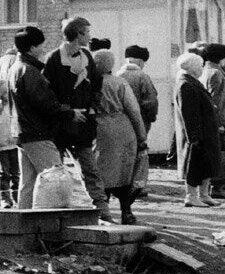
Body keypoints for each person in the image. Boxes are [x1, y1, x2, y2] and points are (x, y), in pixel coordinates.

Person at [8, 26, 83, 209]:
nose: (43, 49)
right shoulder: (29, 71)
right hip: (38, 133)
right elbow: (45, 104)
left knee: (29, 184)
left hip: (23, 133)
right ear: (32, 48)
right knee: (56, 180)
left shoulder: (16, 68)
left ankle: (23, 230)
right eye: (41, 45)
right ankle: (50, 229)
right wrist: (70, 112)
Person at [43, 17, 109, 221]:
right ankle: (56, 215)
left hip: (83, 126)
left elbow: (97, 85)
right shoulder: (53, 59)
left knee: (90, 170)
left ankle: (103, 212)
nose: (90, 36)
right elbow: (47, 93)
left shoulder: (87, 56)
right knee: (56, 173)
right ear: (78, 34)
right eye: (87, 32)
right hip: (59, 125)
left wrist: (91, 108)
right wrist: (66, 110)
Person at [92, 50, 147, 225]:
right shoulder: (120, 83)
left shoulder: (89, 83)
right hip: (123, 129)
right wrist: (141, 136)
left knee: (102, 172)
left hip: (99, 130)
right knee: (125, 172)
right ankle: (126, 212)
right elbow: (134, 110)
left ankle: (103, 212)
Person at [174, 52, 221, 207]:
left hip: (206, 130)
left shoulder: (192, 81)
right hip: (197, 133)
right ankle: (191, 195)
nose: (202, 68)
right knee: (194, 164)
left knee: (207, 163)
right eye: (200, 66)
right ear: (192, 67)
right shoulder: (186, 84)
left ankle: (204, 194)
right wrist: (194, 136)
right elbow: (189, 112)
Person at [116, 45, 158, 199]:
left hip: (120, 121)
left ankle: (121, 185)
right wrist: (151, 117)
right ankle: (137, 186)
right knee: (139, 154)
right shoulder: (142, 76)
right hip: (139, 120)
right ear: (140, 61)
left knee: (123, 154)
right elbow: (150, 102)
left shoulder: (117, 74)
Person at [201, 43, 225, 200]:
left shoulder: (204, 72)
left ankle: (214, 185)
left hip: (211, 120)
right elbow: (217, 101)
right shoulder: (216, 74)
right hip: (222, 120)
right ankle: (219, 186)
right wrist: (220, 124)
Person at [0, 47, 19, 208]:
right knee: (6, 172)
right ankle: (7, 198)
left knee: (12, 172)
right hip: (7, 137)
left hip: (12, 136)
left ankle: (15, 198)